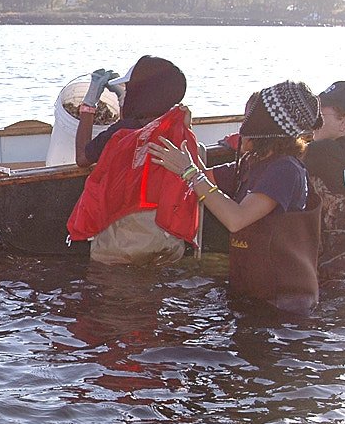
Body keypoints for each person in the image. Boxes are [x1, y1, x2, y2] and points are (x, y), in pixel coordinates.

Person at [149, 81, 323, 314]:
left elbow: (236, 219)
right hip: (256, 292)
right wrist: (185, 132)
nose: (242, 127)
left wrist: (189, 173)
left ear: (263, 128)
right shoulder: (253, 163)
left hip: (284, 304)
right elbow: (206, 177)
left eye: (247, 119)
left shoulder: (285, 170)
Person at [71, 56, 192, 264]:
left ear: (140, 94)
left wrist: (89, 105)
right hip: (168, 237)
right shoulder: (179, 125)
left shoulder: (122, 130)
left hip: (124, 242)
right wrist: (122, 98)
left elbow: (82, 158)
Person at [303, 81, 345, 286]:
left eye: (320, 115)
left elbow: (275, 161)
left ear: (344, 122)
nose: (313, 120)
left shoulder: (320, 152)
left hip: (331, 275)